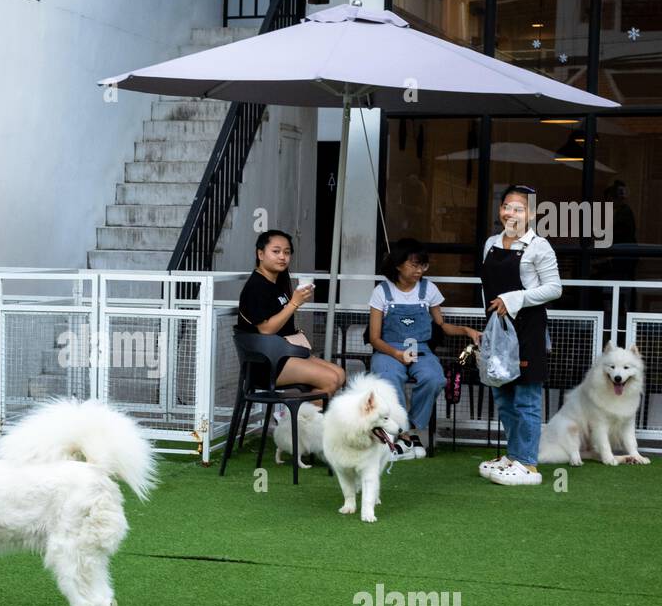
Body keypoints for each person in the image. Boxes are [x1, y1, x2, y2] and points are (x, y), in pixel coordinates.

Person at [367, 238, 481, 460]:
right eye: (414, 265)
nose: (419, 270)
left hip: (421, 348)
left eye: (423, 265)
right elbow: (374, 338)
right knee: (388, 379)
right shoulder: (381, 291)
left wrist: (467, 330)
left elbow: (442, 325)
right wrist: (396, 354)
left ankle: (412, 428)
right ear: (398, 264)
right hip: (388, 348)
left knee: (434, 378)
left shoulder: (429, 289)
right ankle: (405, 434)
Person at [479, 183, 562, 486]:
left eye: (519, 208)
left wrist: (514, 299)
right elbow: (485, 286)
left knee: (526, 398)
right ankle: (514, 454)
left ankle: (528, 463)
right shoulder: (490, 243)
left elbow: (554, 288)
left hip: (527, 329)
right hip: (497, 329)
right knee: (503, 396)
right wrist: (486, 327)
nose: (511, 213)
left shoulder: (539, 246)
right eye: (506, 207)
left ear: (531, 213)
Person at [236, 230, 345, 397]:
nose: (282, 257)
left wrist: (296, 301)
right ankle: (302, 421)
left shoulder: (277, 283)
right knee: (330, 379)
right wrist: (294, 302)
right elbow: (266, 330)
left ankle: (301, 418)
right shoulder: (256, 287)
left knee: (340, 374)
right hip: (267, 361)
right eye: (276, 251)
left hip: (285, 352)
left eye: (287, 252)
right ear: (260, 254)